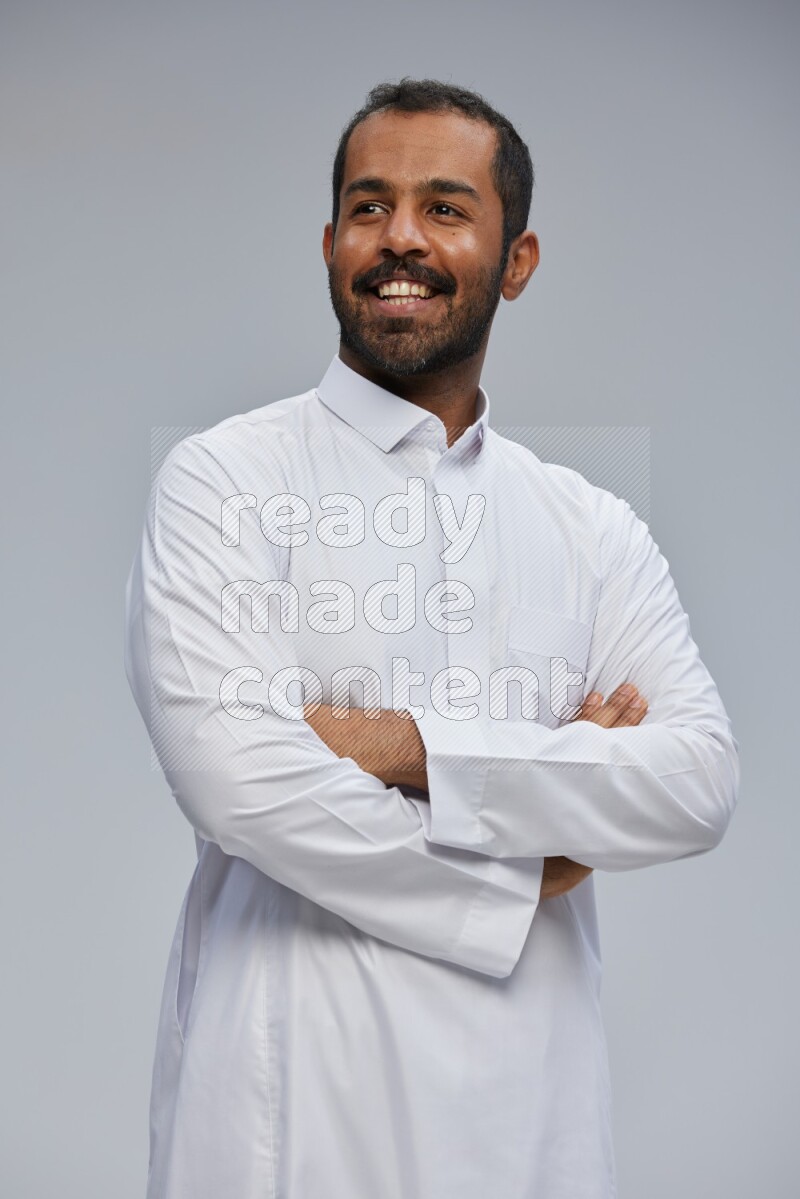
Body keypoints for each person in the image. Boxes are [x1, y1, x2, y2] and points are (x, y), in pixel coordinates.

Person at [124, 78, 740, 1199]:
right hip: (286, 1111)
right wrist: (536, 841)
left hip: (531, 1118)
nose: (398, 237)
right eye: (368, 207)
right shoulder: (225, 480)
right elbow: (238, 778)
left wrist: (394, 746)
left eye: (445, 208)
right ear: (326, 244)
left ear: (516, 261)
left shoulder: (590, 527)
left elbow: (693, 779)